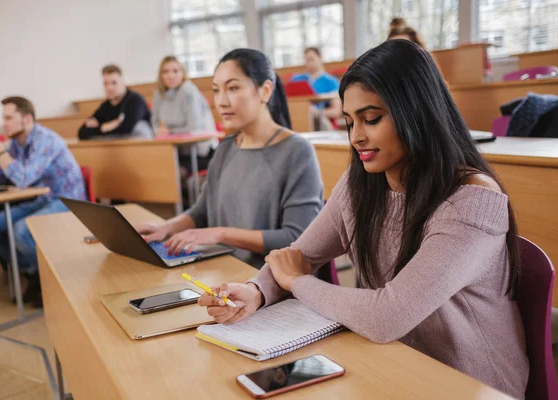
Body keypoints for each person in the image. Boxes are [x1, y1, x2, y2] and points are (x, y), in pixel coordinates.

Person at [197, 40, 528, 399]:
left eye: (371, 119)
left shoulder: (471, 200)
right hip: (394, 363)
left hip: (470, 384)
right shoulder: (362, 184)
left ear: (416, 112)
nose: (356, 137)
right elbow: (299, 256)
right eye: (349, 121)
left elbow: (386, 317)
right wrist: (255, 292)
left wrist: (297, 283)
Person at [136, 48, 323, 269]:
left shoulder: (297, 152)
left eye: (233, 88)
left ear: (265, 91)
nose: (221, 102)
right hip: (219, 275)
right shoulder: (226, 148)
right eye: (216, 91)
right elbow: (202, 212)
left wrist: (220, 234)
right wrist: (166, 227)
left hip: (265, 286)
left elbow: (296, 239)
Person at [0, 96, 86, 308]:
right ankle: (34, 274)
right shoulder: (16, 143)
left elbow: (23, 179)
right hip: (41, 199)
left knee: (22, 230)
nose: (4, 123)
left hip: (68, 201)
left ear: (26, 119)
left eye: (8, 118)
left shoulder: (45, 140)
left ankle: (54, 281)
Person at [152, 55, 218, 175]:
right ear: (160, 75)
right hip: (176, 150)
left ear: (182, 73)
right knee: (154, 167)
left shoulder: (188, 91)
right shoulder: (159, 94)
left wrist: (169, 132)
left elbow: (193, 128)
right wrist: (158, 131)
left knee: (171, 172)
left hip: (200, 152)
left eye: (175, 71)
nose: (171, 76)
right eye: (166, 71)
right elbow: (154, 123)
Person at [78, 64, 152, 140]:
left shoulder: (135, 100)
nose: (109, 88)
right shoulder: (106, 106)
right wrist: (103, 127)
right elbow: (82, 133)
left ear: (123, 82)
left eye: (114, 83)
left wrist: (100, 129)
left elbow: (126, 130)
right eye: (105, 84)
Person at [291, 47, 342, 129]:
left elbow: (336, 111)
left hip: (319, 122)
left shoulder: (331, 82)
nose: (309, 63)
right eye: (306, 60)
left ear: (320, 58)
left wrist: (316, 112)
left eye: (312, 59)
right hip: (297, 118)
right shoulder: (297, 80)